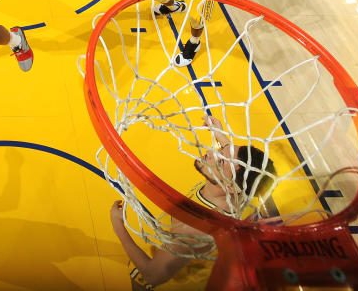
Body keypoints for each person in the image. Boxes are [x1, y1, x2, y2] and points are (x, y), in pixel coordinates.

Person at [110, 116, 276, 290]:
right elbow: (239, 164)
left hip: (170, 280)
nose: (210, 152)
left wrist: (118, 225)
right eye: (222, 149)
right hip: (196, 261)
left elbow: (152, 275)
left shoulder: (193, 229)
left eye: (219, 161)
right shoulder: (243, 188)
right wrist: (220, 135)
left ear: (230, 186)